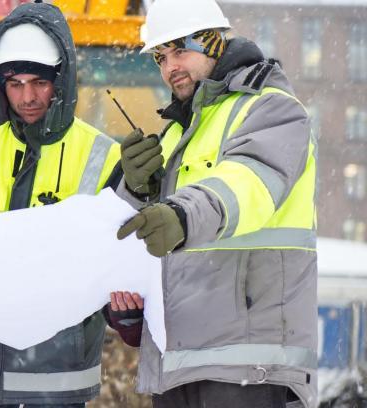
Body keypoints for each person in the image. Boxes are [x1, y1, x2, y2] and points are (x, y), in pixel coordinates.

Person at [112, 0, 318, 406]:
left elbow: (247, 183)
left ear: (213, 43)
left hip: (248, 365)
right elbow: (137, 240)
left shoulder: (271, 109)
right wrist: (132, 190)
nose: (170, 67)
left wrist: (181, 214)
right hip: (176, 365)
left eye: (180, 50)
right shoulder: (173, 136)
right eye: (160, 57)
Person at [0, 3, 124, 407]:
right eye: (15, 84)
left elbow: (114, 266)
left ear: (61, 80)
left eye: (40, 82)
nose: (28, 97)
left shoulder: (103, 156)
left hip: (57, 373)